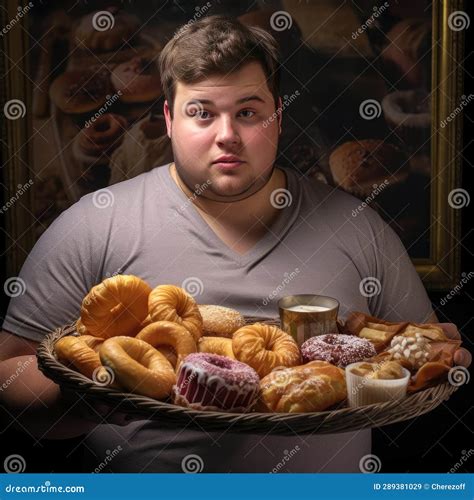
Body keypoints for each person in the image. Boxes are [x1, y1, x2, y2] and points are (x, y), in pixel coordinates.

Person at [0, 15, 470, 473]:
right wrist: (89, 400)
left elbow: (423, 357)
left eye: (248, 112)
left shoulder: (358, 227)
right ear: (167, 118)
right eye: (201, 112)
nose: (227, 136)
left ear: (278, 117)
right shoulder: (92, 224)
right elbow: (8, 379)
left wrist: (441, 356)